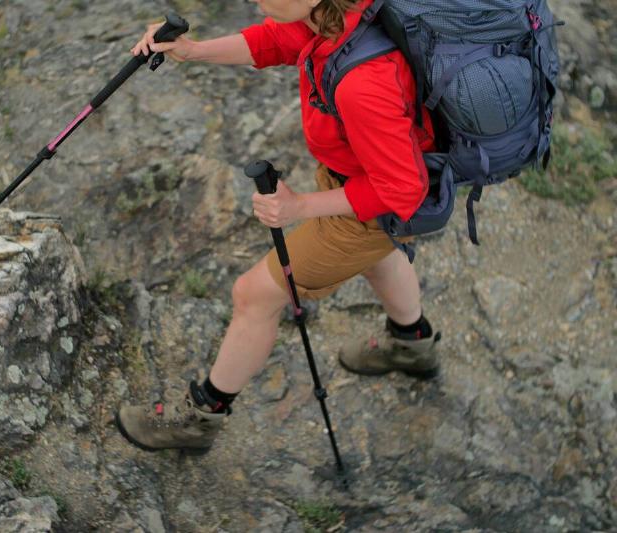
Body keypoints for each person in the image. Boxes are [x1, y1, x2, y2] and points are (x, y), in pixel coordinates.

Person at [115, 0, 441, 454]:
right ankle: (413, 344)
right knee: (380, 254)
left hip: (375, 201)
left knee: (254, 295)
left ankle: (201, 418)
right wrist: (193, 51)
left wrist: (301, 206)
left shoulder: (363, 83)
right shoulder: (338, 14)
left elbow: (403, 190)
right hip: (356, 175)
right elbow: (277, 40)